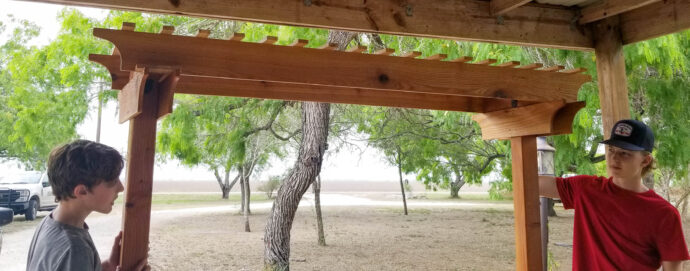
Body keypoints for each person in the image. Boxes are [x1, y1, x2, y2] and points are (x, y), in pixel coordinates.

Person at [539, 119, 689, 271]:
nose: (614, 158)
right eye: (611, 149)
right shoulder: (586, 189)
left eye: (625, 153)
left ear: (645, 160)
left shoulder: (665, 214)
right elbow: (532, 184)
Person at [27, 140, 148, 271]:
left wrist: (109, 266)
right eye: (113, 181)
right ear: (82, 191)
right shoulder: (74, 249)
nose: (121, 187)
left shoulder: (50, 222)